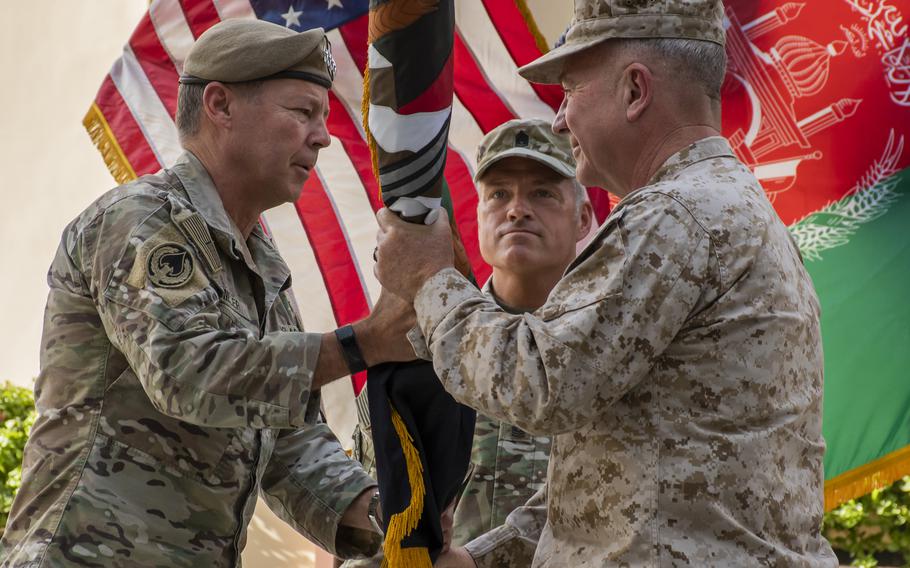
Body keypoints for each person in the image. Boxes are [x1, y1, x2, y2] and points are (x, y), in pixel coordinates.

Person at [374, 0, 839, 566]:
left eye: (570, 90)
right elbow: (613, 475)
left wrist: (430, 282)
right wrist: (481, 558)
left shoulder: (675, 215)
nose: (560, 119)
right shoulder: (723, 207)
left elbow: (541, 384)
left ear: (635, 91)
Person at [0, 19, 416, 567]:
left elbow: (288, 442)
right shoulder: (139, 221)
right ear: (220, 105)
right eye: (302, 112)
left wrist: (395, 520)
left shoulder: (262, 267)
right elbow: (187, 371)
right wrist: (364, 343)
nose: (324, 135)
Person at [342, 118, 592, 567]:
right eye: (498, 195)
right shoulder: (423, 349)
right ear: (477, 216)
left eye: (543, 193)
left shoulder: (609, 349)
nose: (517, 210)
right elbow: (366, 510)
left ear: (584, 218)